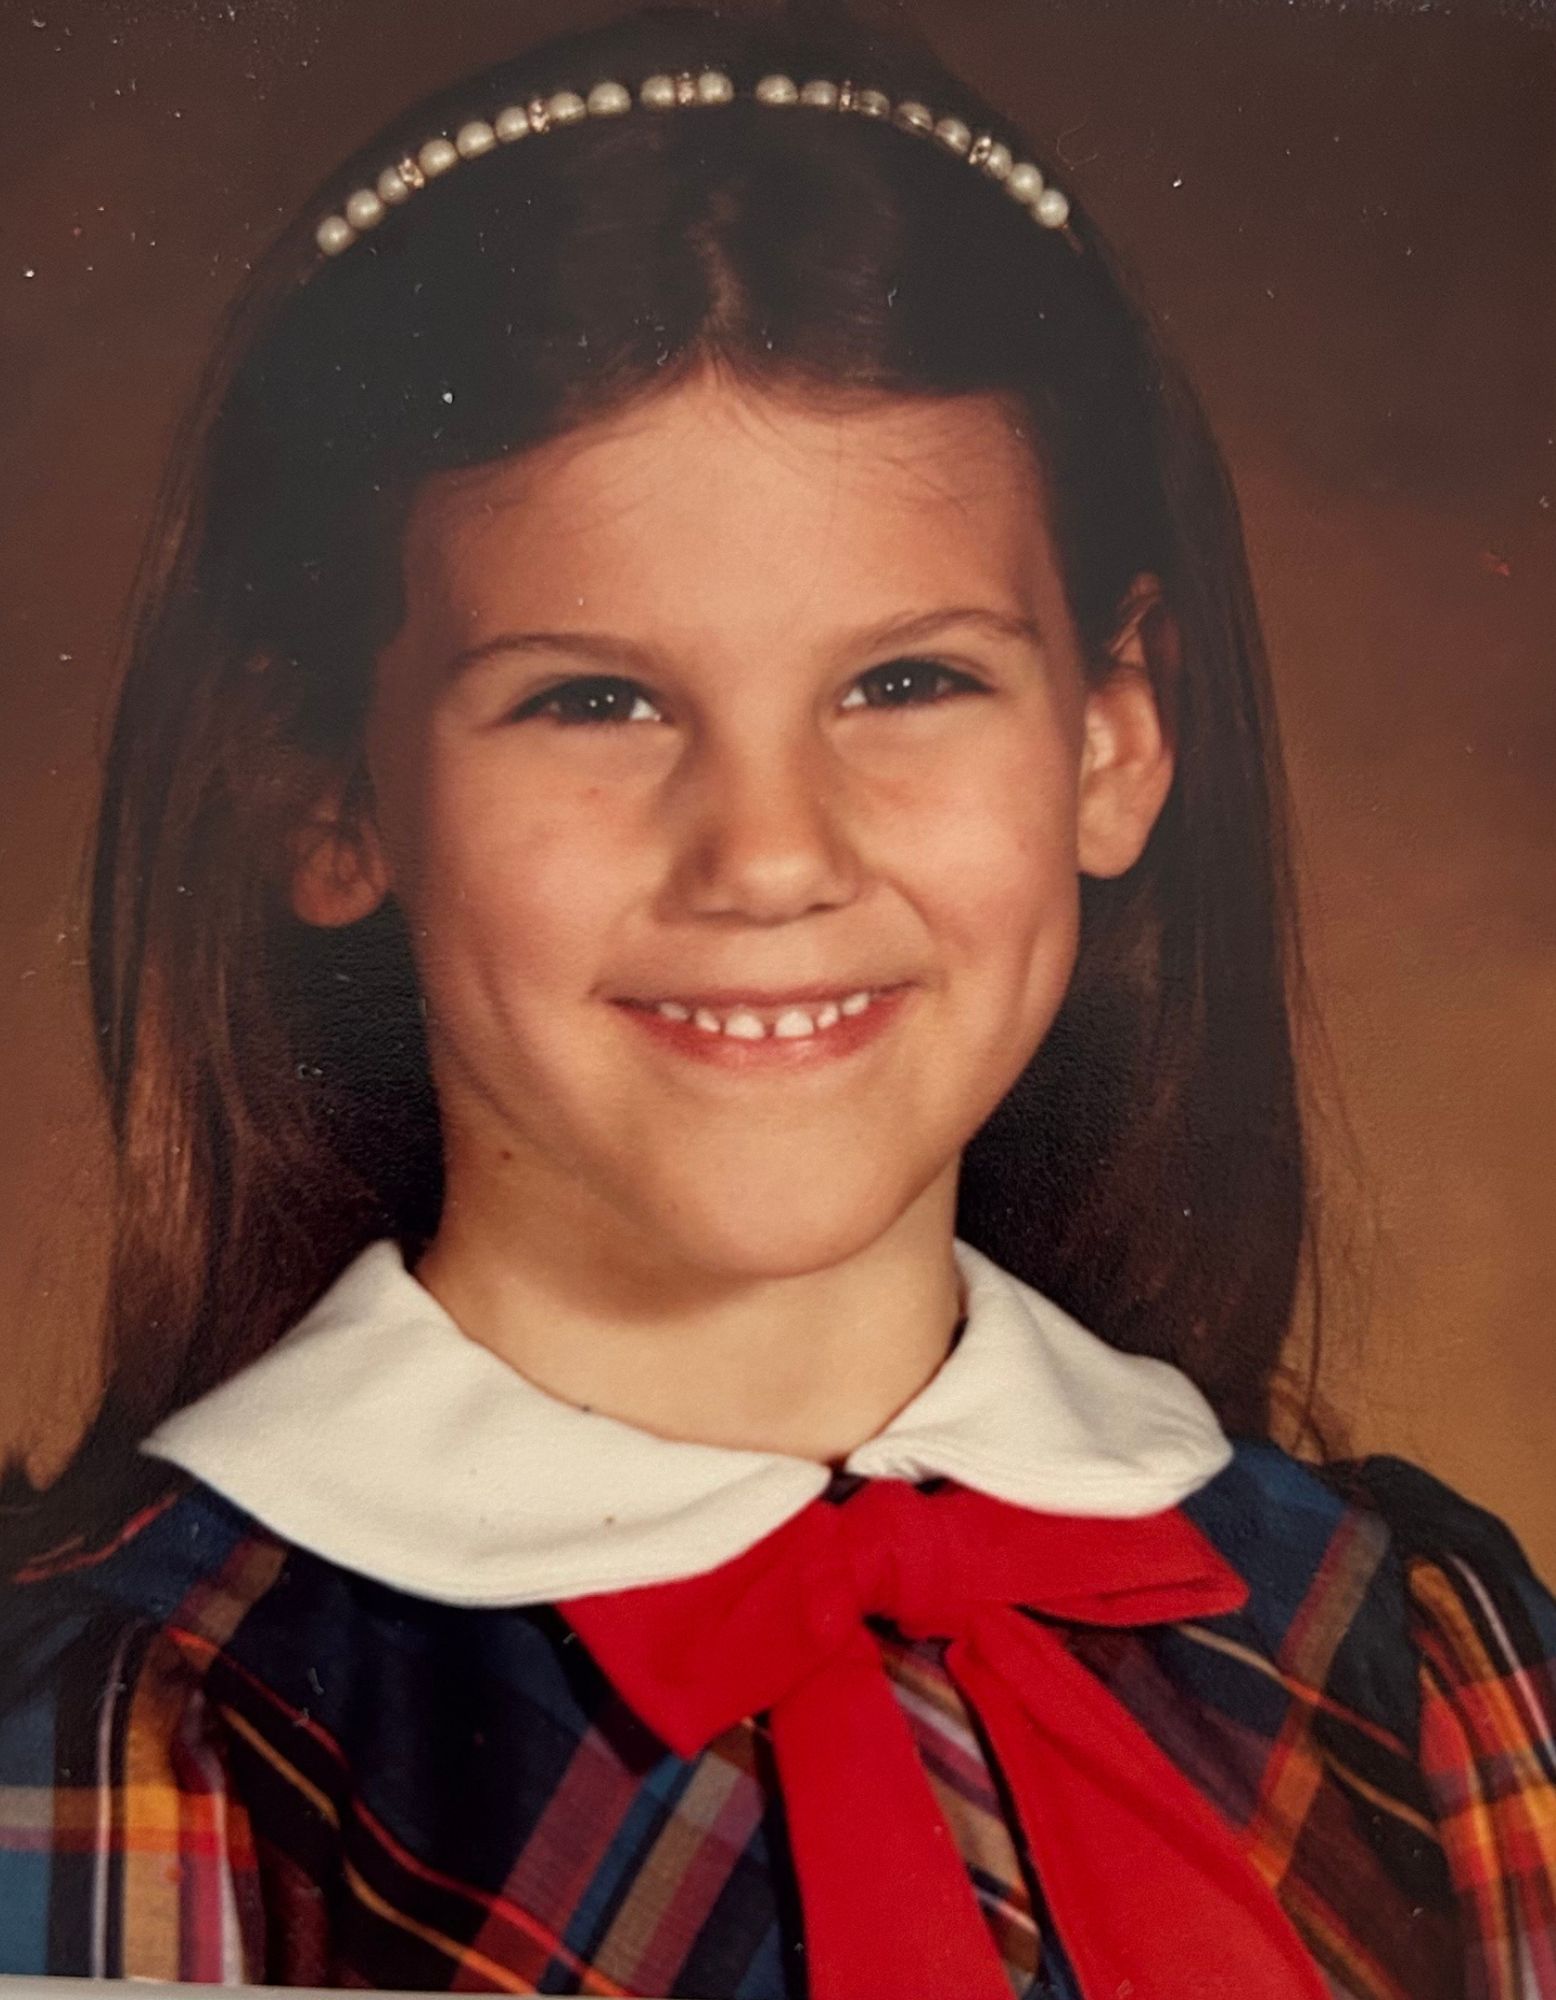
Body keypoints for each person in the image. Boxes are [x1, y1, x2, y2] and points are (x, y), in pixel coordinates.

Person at [1, 4, 1552, 1994]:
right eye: (594, 698)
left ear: (1113, 737)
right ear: (328, 794)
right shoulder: (130, 1734)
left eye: (905, 683)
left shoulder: (1413, 1654)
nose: (767, 852)